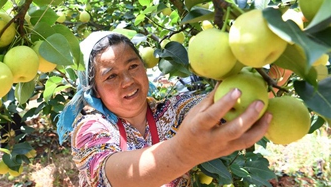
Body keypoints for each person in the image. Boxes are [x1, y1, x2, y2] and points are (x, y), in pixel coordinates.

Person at [57, 31, 272, 187]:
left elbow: (233, 103)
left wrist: (276, 58)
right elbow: (110, 173)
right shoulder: (90, 129)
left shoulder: (171, 111)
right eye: (111, 76)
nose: (128, 81)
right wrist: (182, 152)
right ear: (94, 90)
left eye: (133, 66)